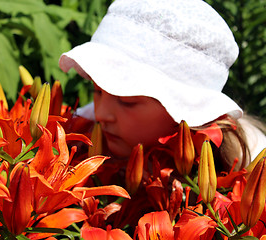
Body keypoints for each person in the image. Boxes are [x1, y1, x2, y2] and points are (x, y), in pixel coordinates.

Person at [59, 0, 266, 172]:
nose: (101, 113)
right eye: (97, 91)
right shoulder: (81, 131)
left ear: (189, 110)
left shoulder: (250, 164)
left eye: (127, 101)